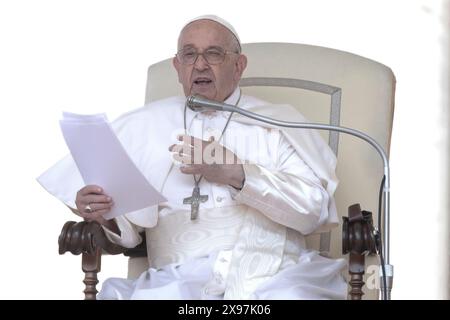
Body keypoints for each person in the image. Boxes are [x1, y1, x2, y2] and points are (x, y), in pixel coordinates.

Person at [38, 15, 347, 299]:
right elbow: (130, 234)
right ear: (178, 66)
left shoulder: (278, 124)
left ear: (239, 65)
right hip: (176, 281)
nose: (200, 65)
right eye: (189, 54)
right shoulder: (142, 125)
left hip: (276, 276)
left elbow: (312, 212)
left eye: (213, 53)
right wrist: (103, 213)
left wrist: (235, 173)